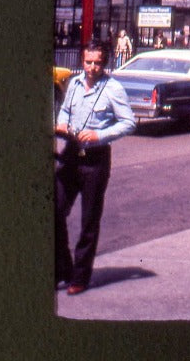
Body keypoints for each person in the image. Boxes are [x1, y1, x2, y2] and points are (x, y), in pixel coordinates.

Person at [54, 38, 136, 295]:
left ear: (105, 63)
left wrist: (99, 135)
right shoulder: (75, 84)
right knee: (54, 211)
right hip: (70, 155)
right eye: (88, 62)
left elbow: (129, 122)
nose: (92, 68)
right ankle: (63, 269)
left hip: (95, 161)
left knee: (89, 221)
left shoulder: (113, 89)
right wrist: (62, 125)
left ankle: (80, 277)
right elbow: (65, 111)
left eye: (97, 63)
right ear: (82, 60)